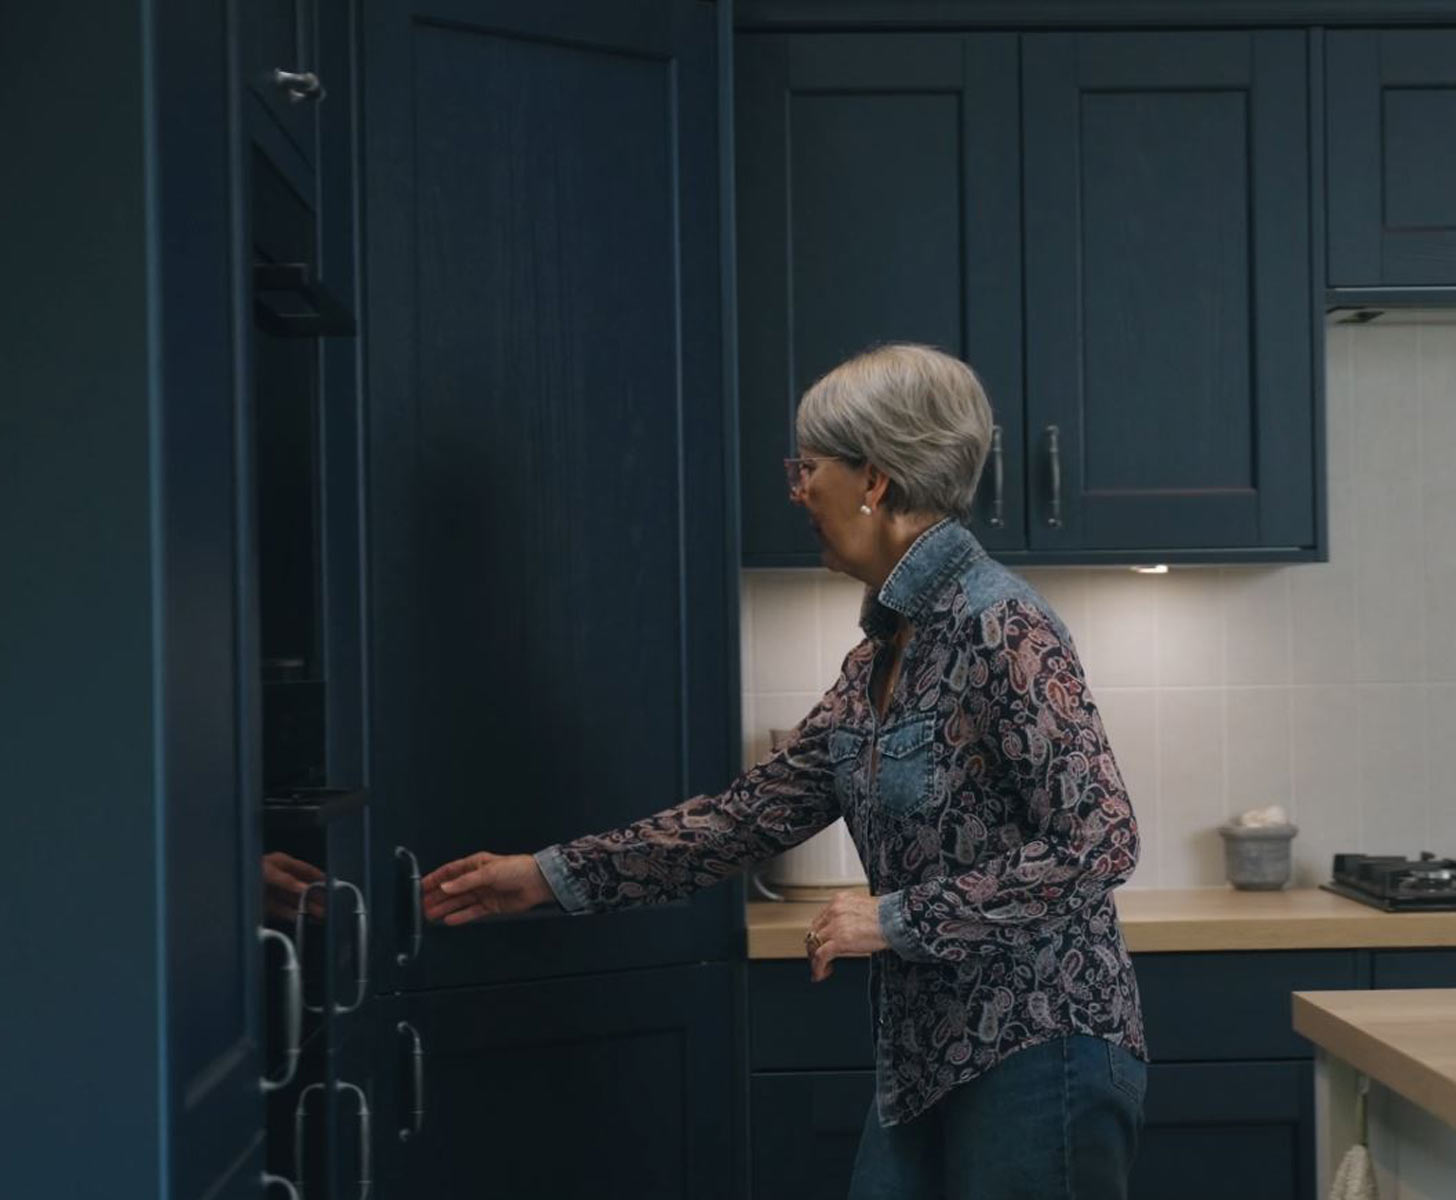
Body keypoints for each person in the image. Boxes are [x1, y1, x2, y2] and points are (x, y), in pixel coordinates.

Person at [422, 343, 1147, 1199]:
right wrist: (542, 878)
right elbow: (740, 819)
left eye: (808, 467)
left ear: (874, 479)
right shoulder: (877, 659)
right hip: (923, 1061)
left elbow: (1101, 841)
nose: (796, 489)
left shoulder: (1003, 626)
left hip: (1040, 1046)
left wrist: (898, 919)